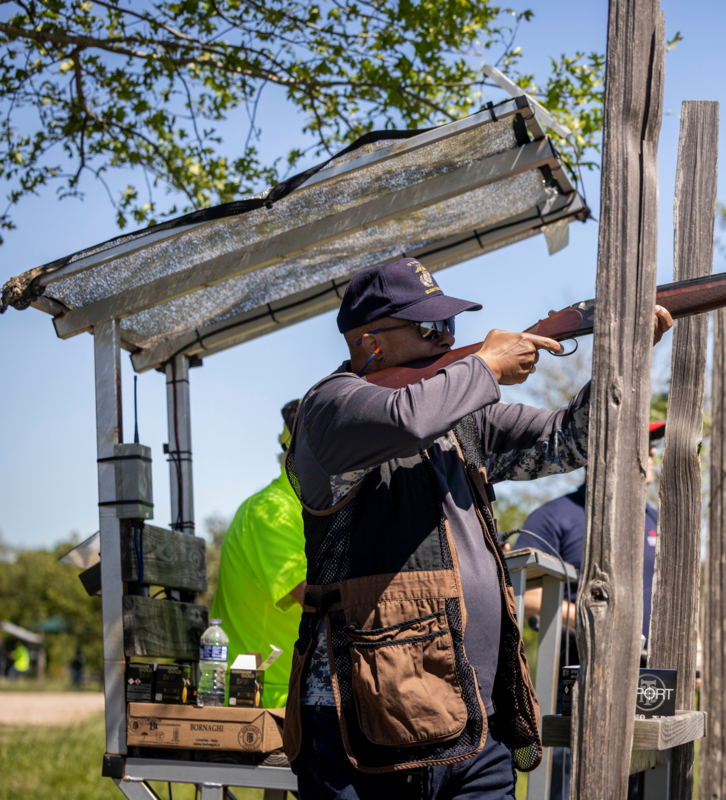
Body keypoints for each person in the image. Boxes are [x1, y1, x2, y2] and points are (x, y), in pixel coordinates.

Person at [282, 255, 672, 800]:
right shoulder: (331, 407)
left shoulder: (461, 417)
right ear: (369, 344)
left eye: (448, 323)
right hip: (366, 721)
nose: (446, 337)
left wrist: (626, 360)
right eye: (427, 327)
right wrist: (485, 366)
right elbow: (406, 420)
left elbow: (572, 440)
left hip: (475, 717)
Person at [512, 422, 666, 800]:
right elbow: (519, 594)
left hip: (649, 684)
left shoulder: (655, 521)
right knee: (570, 784)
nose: (652, 453)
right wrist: (601, 624)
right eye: (643, 444)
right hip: (573, 684)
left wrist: (694, 651)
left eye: (653, 446)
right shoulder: (554, 517)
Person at [210, 400, 306, 709]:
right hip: (263, 697)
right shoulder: (271, 511)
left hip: (291, 691)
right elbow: (313, 596)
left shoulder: (303, 512)